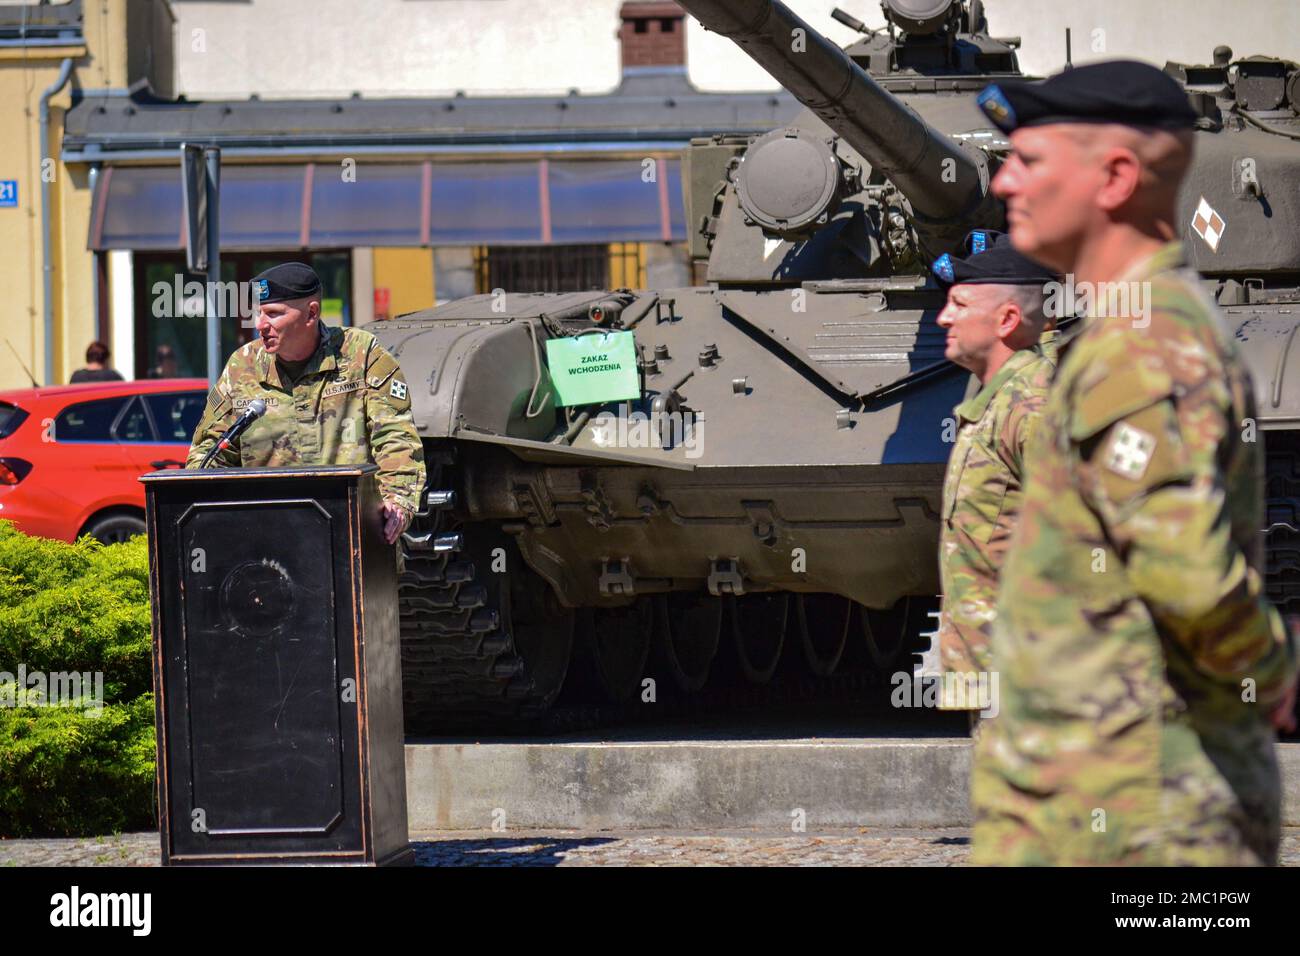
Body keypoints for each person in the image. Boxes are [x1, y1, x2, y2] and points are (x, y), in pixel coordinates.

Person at [971, 60, 1298, 865]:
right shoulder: (1128, 334)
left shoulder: (1143, 346)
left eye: (1030, 160)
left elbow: (1185, 569)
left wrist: (1270, 666)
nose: (1004, 181)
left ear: (1115, 177)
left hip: (1143, 813)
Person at [186, 262, 426, 546]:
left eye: (274, 314)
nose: (261, 325)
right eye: (259, 313)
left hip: (352, 541)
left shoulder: (362, 356)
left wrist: (397, 501)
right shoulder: (243, 367)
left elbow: (396, 438)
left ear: (311, 313)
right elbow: (210, 452)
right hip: (266, 545)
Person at [931, 230, 1057, 724]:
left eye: (959, 304)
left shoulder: (1035, 406)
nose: (944, 317)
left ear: (1006, 320)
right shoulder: (1002, 401)